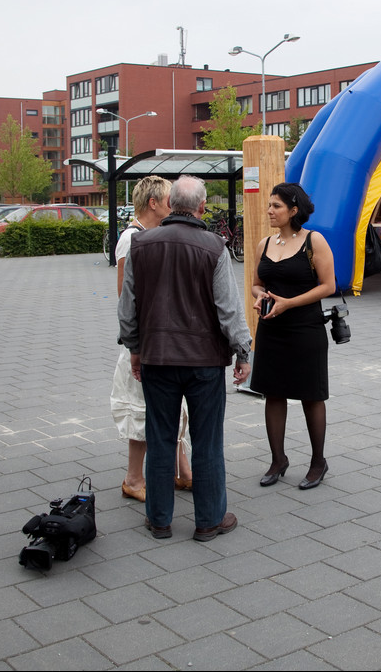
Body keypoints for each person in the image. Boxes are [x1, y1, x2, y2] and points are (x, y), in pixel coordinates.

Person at [118, 176, 252, 541]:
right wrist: (243, 351)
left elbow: (128, 306)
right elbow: (228, 308)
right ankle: (209, 520)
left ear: (171, 203)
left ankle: (159, 519)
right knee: (207, 440)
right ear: (201, 207)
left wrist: (134, 348)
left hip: (157, 358)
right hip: (204, 361)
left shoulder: (141, 244)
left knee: (160, 437)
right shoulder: (214, 246)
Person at [109, 176, 193, 502]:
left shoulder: (153, 235)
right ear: (154, 203)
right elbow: (125, 295)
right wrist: (138, 342)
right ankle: (133, 478)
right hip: (144, 341)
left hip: (162, 337)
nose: (175, 205)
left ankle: (181, 471)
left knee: (172, 404)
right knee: (142, 407)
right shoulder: (132, 239)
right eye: (170, 199)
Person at [250, 182, 337, 489]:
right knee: (273, 393)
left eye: (276, 206)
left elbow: (328, 285)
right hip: (271, 329)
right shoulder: (264, 244)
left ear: (294, 210)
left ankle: (318, 462)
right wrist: (260, 295)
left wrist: (289, 303)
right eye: (270, 205)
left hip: (305, 329)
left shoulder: (314, 241)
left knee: (311, 395)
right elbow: (256, 283)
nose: (270, 210)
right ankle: (278, 460)